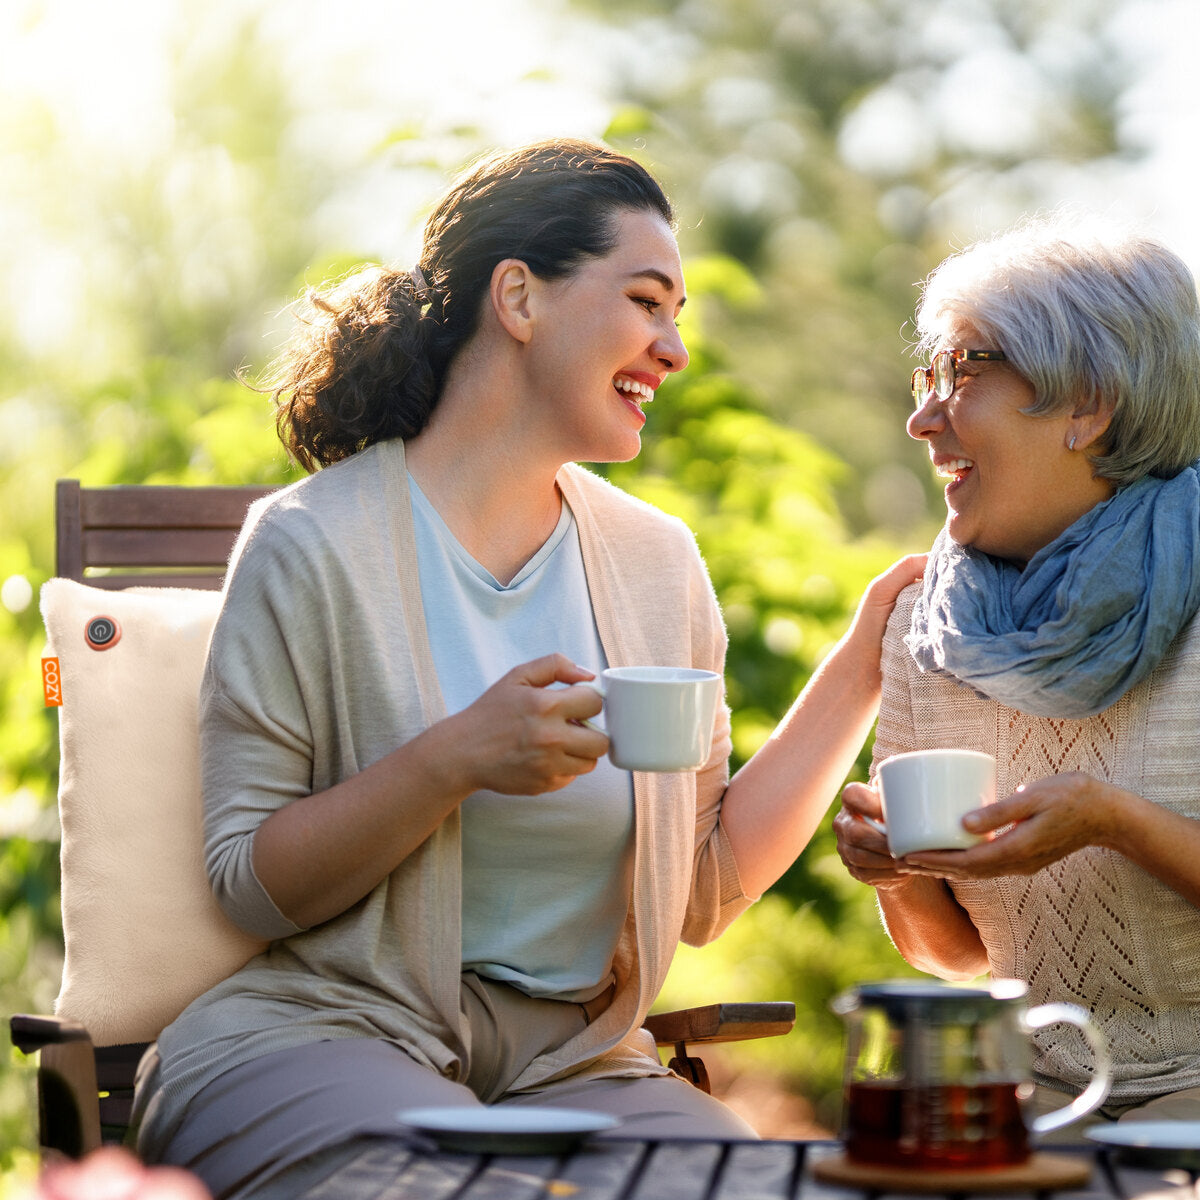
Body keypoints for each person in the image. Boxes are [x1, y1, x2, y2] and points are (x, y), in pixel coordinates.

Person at [131, 138, 922, 1198]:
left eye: (678, 314)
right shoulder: (312, 544)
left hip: (576, 1064)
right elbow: (250, 886)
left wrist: (864, 661)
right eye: (646, 302)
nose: (674, 349)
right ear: (518, 297)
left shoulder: (656, 565)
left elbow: (701, 888)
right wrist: (452, 762)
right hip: (324, 1035)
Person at [835, 213, 1200, 1133]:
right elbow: (956, 956)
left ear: (1088, 403)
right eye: (928, 378)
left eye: (963, 372)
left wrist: (1116, 822)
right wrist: (898, 875)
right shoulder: (930, 629)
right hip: (1033, 1096)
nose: (921, 419)